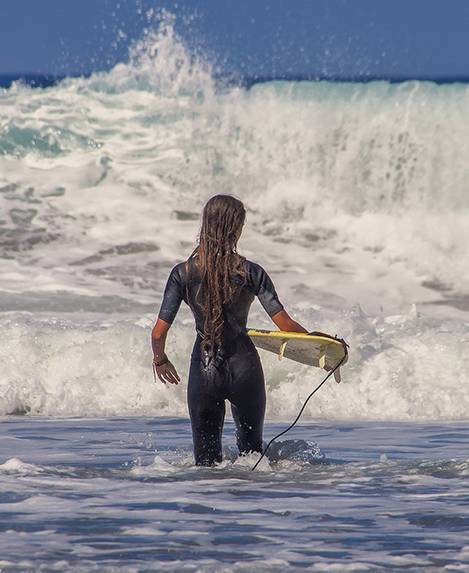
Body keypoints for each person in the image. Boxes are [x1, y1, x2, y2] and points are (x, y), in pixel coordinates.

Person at [151, 194, 308, 466]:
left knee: (205, 464)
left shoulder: (183, 274)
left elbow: (158, 333)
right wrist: (320, 344)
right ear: (236, 229)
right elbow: (285, 326)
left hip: (205, 369)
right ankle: (244, 507)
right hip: (246, 369)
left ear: (206, 225)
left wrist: (160, 359)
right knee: (253, 459)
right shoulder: (252, 272)